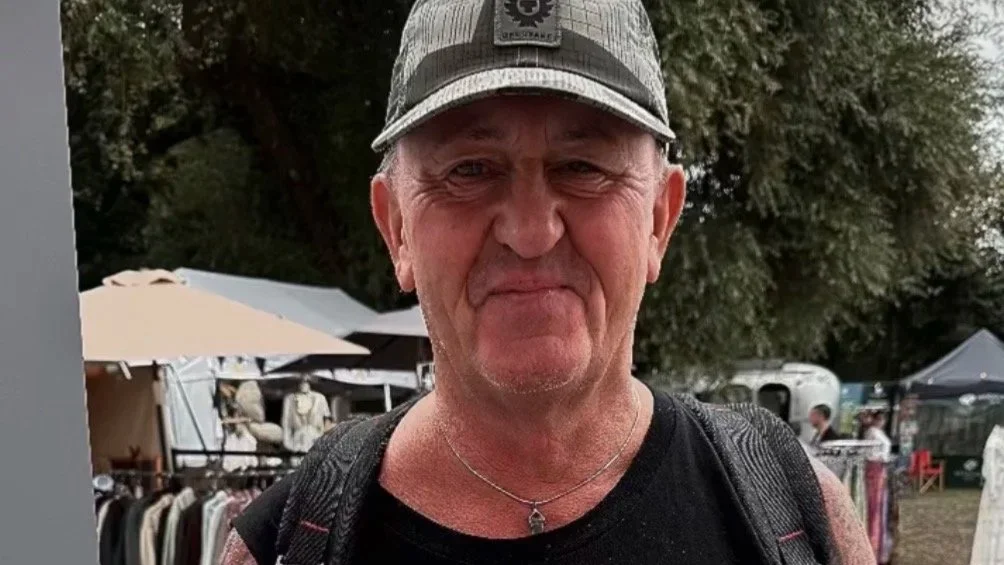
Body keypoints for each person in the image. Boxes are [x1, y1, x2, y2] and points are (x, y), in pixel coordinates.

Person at [220, 0, 874, 563]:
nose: (531, 232)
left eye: (583, 167)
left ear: (659, 219)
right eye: (470, 170)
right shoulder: (287, 543)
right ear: (396, 228)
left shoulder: (795, 516)